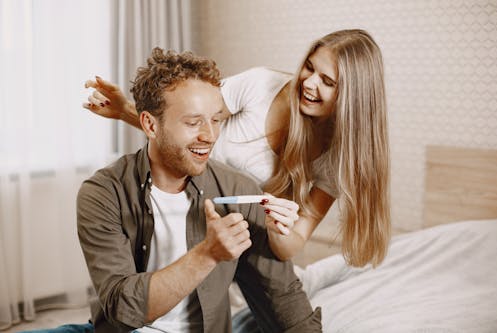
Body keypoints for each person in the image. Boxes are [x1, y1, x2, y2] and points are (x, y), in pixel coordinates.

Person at [84, 29, 391, 268]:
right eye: (309, 68)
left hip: (239, 233)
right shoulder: (261, 85)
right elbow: (184, 132)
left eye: (327, 81)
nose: (309, 83)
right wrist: (126, 109)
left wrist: (279, 227)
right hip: (182, 209)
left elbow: (292, 244)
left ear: (352, 97)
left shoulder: (336, 159)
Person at [77, 48, 321, 332]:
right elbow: (122, 310)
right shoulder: (104, 193)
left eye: (216, 119)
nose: (210, 135)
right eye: (193, 122)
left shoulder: (238, 190)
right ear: (149, 124)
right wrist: (207, 254)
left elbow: (282, 294)